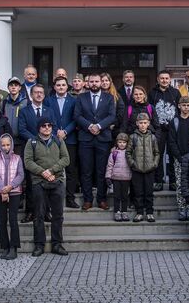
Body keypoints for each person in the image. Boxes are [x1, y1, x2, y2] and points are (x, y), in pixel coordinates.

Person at [25, 115, 70, 256]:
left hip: (57, 181)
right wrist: (42, 172)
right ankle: (39, 244)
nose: (47, 128)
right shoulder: (31, 142)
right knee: (38, 214)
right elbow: (28, 161)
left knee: (58, 214)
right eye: (44, 126)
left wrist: (51, 170)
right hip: (39, 182)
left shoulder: (58, 140)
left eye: (49, 126)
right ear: (39, 128)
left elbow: (66, 159)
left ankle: (57, 244)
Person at [74, 73, 115, 211]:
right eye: (92, 81)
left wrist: (98, 126)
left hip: (103, 138)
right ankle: (87, 200)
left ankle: (102, 199)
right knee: (86, 171)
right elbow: (77, 115)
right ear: (87, 83)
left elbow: (112, 116)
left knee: (102, 170)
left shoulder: (109, 97)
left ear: (100, 82)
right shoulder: (81, 98)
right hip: (85, 138)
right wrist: (90, 126)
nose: (94, 84)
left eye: (97, 81)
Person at [17, 84, 56, 221]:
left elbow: (54, 128)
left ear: (44, 95)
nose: (39, 95)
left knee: (47, 182)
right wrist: (36, 140)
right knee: (30, 182)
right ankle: (30, 211)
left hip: (47, 152)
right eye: (36, 93)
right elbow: (21, 130)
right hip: (30, 150)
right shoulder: (24, 111)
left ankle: (46, 212)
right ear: (31, 95)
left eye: (41, 93)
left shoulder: (49, 111)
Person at [46, 75, 80, 208]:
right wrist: (55, 133)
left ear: (67, 87)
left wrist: (65, 131)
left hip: (70, 138)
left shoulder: (74, 100)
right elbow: (47, 117)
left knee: (71, 170)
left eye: (63, 85)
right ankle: (53, 199)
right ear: (54, 87)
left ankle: (70, 198)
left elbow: (76, 118)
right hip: (53, 139)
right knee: (53, 168)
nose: (61, 87)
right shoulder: (48, 101)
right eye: (58, 85)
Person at [0, 132, 24, 260]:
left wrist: (10, 187)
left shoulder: (17, 158)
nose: (6, 147)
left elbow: (20, 175)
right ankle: (5, 246)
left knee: (13, 219)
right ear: (0, 145)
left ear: (11, 145)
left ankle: (14, 247)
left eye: (8, 145)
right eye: (3, 145)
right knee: (2, 219)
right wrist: (3, 190)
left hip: (14, 192)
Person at [149, 69, 181, 191]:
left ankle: (173, 181)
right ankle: (158, 181)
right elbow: (149, 111)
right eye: (162, 78)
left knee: (173, 155)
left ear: (170, 80)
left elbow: (179, 109)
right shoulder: (152, 93)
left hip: (173, 130)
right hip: (158, 130)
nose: (164, 80)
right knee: (158, 155)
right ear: (158, 79)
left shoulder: (175, 93)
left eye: (166, 78)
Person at [168, 97, 189, 220]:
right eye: (183, 105)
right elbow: (171, 142)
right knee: (181, 184)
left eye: (188, 105)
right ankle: (182, 208)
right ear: (179, 106)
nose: (186, 107)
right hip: (179, 159)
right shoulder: (174, 122)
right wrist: (179, 157)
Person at [128, 113, 161, 222]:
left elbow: (157, 152)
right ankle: (139, 212)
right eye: (141, 123)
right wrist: (132, 163)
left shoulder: (152, 137)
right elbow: (128, 152)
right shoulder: (133, 137)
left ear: (148, 124)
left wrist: (154, 164)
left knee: (149, 192)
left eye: (145, 123)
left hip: (149, 169)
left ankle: (150, 212)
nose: (143, 125)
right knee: (138, 192)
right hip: (137, 169)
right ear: (137, 124)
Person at [106, 133, 133, 221]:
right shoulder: (114, 153)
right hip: (116, 178)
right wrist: (108, 177)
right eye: (120, 142)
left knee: (125, 196)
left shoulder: (129, 153)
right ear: (117, 142)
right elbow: (110, 166)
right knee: (117, 196)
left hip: (126, 178)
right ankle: (117, 212)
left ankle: (124, 212)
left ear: (127, 143)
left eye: (124, 142)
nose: (122, 144)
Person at [116, 70, 137, 136]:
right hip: (121, 124)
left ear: (133, 79)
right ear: (123, 79)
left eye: (131, 77)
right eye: (126, 77)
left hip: (135, 124)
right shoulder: (117, 92)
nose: (128, 79)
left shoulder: (139, 92)